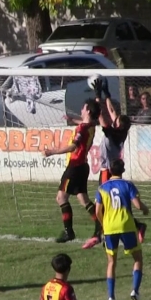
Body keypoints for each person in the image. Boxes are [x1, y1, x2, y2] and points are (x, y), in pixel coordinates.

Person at [84, 77, 147, 249]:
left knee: (104, 203)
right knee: (112, 203)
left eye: (117, 119)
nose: (115, 117)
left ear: (118, 125)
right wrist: (107, 95)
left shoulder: (113, 134)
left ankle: (99, 235)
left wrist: (97, 96)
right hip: (111, 170)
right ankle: (137, 226)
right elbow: (111, 112)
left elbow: (101, 116)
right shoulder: (120, 131)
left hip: (107, 171)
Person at [43, 99, 102, 244]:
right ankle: (101, 225)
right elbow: (84, 125)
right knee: (83, 199)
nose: (81, 109)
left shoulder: (82, 129)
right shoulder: (91, 126)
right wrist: (72, 120)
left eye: (83, 107)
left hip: (75, 167)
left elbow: (73, 147)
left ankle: (69, 232)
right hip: (83, 166)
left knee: (61, 198)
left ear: (88, 110)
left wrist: (52, 151)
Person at [95, 159, 150, 300]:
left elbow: (97, 211)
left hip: (110, 228)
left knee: (112, 262)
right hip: (127, 225)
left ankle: (111, 297)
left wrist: (103, 224)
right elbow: (137, 205)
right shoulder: (128, 185)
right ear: (123, 170)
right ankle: (135, 291)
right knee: (137, 259)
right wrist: (145, 209)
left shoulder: (102, 188)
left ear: (110, 171)